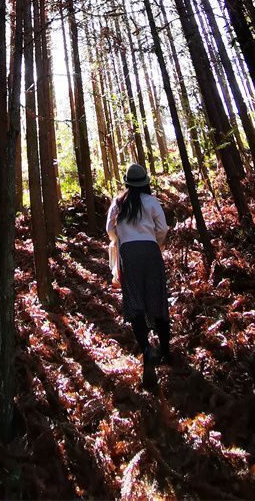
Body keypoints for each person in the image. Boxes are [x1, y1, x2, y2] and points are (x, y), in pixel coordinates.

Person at [106, 163, 171, 388]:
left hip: (128, 254)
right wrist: (155, 243)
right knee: (158, 297)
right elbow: (162, 229)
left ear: (127, 183)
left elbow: (109, 230)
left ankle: (146, 348)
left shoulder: (118, 203)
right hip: (151, 251)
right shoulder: (152, 202)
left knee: (134, 302)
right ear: (145, 183)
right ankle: (166, 351)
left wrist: (120, 240)